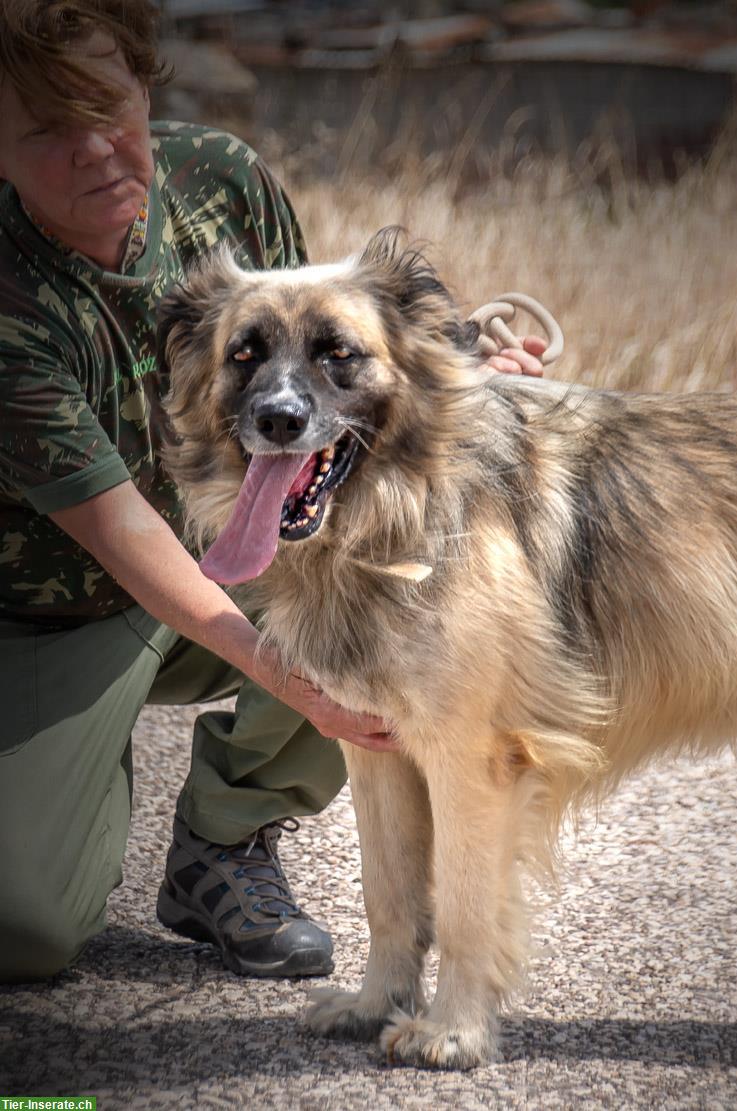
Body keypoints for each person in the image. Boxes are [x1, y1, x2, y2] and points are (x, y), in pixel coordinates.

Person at [0, 0, 547, 984]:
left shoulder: (219, 175)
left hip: (229, 540)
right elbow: (122, 529)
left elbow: (320, 359)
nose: (94, 149)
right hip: (53, 616)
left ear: (144, 84)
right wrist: (296, 679)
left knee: (386, 558)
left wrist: (473, 365)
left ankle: (228, 836)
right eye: (45, 130)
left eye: (108, 105)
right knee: (27, 930)